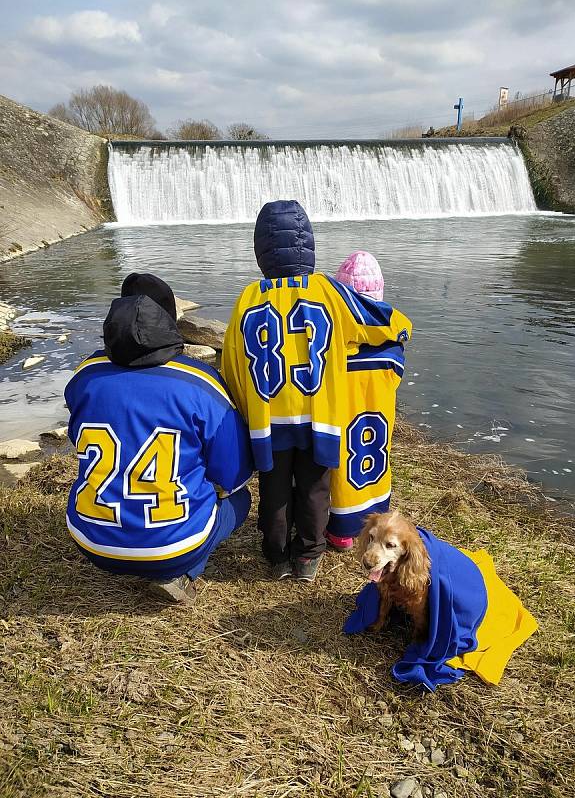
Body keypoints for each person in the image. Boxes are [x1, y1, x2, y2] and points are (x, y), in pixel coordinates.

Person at [221, 200, 412, 582]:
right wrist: (400, 331)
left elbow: (232, 363)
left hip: (267, 420)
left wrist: (244, 409)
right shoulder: (328, 290)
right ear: (309, 246)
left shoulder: (248, 298)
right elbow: (375, 319)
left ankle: (275, 556)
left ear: (260, 251)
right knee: (314, 490)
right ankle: (307, 557)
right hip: (319, 417)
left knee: (274, 491)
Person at [64, 273, 253, 604]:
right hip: (171, 549)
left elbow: (79, 436)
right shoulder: (200, 382)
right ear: (170, 321)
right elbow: (234, 472)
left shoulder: (85, 374)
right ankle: (183, 572)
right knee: (240, 501)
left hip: (91, 541)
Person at [326, 251, 408, 552]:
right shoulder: (393, 350)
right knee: (373, 466)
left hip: (341, 428)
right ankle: (372, 525)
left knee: (337, 475)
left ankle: (339, 531)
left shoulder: (333, 350)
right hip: (376, 429)